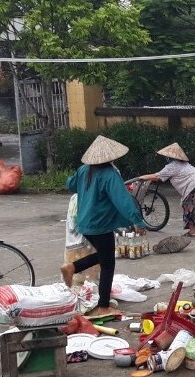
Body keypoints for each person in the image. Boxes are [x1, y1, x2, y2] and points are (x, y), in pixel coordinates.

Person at [60, 135, 148, 317]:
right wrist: (137, 221)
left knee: (103, 255)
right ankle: (103, 306)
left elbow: (71, 185)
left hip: (84, 223)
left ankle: (71, 267)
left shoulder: (84, 170)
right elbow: (123, 200)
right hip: (100, 225)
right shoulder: (109, 174)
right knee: (108, 265)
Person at [134, 142, 195, 238]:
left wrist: (142, 177)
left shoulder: (171, 166)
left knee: (188, 205)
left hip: (194, 183)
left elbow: (157, 176)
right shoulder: (184, 164)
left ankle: (192, 232)